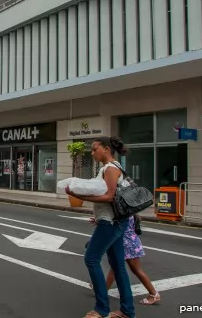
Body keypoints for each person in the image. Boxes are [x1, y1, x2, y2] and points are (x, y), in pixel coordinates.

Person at [65, 136, 135, 318]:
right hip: (115, 220)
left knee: (91, 258)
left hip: (110, 222)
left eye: (95, 149)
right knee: (118, 265)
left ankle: (101, 308)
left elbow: (110, 196)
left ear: (106, 149)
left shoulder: (110, 169)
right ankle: (127, 311)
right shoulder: (114, 167)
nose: (92, 152)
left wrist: (81, 197)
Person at [101, 214, 161, 305]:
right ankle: (102, 291)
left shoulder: (122, 214)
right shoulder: (129, 212)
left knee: (135, 270)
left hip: (127, 243)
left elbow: (113, 227)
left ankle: (154, 293)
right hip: (130, 242)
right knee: (115, 268)